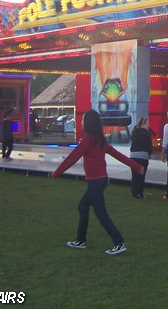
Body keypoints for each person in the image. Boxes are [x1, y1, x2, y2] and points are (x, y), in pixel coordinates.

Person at [50, 109, 145, 256]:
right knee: (83, 207)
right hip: (101, 180)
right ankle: (80, 240)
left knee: (101, 213)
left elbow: (73, 157)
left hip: (95, 182)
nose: (80, 122)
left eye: (83, 119)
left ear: (88, 122)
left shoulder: (88, 139)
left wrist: (56, 173)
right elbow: (118, 155)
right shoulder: (99, 139)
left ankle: (119, 243)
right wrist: (137, 167)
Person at [129, 117, 152, 198]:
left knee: (134, 176)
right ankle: (140, 193)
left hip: (133, 156)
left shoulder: (134, 132)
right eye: (148, 123)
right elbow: (149, 146)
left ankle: (134, 192)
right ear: (143, 124)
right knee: (141, 175)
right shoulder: (147, 133)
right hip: (143, 156)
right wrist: (149, 154)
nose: (149, 125)